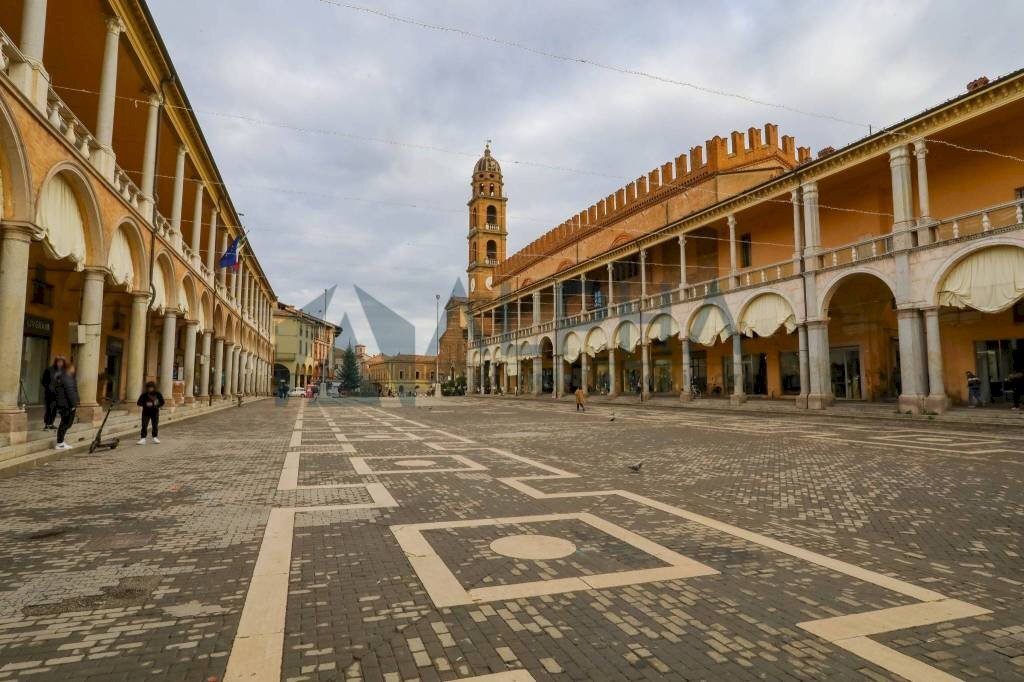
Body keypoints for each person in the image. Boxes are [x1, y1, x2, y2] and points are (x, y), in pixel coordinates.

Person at [52, 362, 79, 450]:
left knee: (66, 423)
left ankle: (61, 442)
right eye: (73, 368)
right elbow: (70, 392)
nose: (74, 370)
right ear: (69, 369)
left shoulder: (64, 377)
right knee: (66, 423)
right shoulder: (67, 378)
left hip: (64, 404)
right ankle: (60, 443)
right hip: (67, 405)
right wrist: (74, 404)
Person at [40, 356, 66, 430]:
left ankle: (51, 423)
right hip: (49, 393)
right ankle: (47, 424)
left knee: (54, 409)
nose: (60, 363)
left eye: (62, 362)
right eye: (59, 362)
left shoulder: (63, 371)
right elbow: (43, 381)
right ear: (56, 362)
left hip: (58, 394)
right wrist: (48, 387)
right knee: (49, 409)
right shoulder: (49, 370)